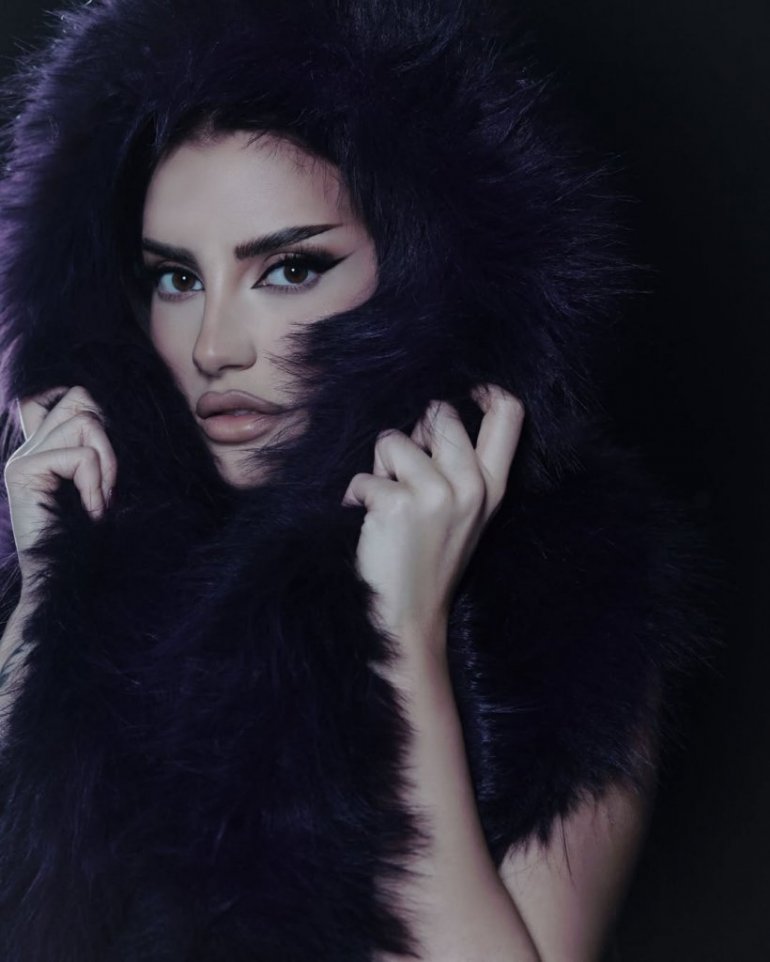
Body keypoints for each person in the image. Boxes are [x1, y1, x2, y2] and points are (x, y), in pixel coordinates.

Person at [0, 1, 707, 960]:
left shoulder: (570, 599)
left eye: (289, 269)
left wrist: (401, 638)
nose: (214, 347)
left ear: (422, 275)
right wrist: (50, 613)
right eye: (176, 279)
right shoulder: (90, 566)